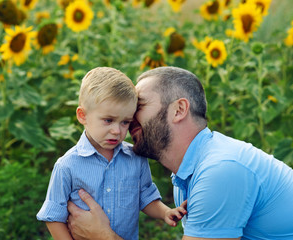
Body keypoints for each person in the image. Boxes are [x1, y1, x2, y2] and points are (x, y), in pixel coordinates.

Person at [67, 66, 293, 240]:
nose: (129, 118)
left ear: (179, 110)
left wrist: (103, 236)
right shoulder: (189, 174)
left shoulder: (220, 171)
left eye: (140, 106)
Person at [36, 67, 187, 240]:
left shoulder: (135, 159)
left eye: (125, 122)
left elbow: (145, 196)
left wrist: (165, 212)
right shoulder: (67, 166)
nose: (117, 130)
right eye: (108, 120)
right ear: (82, 115)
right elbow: (53, 217)